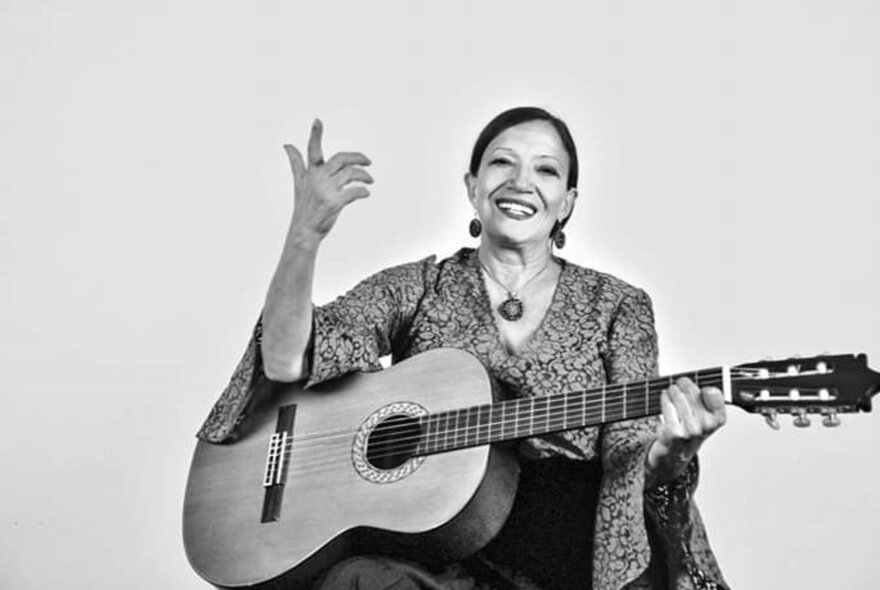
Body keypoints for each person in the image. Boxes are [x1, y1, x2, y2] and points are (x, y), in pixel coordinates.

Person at [197, 107, 729, 590]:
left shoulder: (618, 305)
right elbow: (291, 359)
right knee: (357, 582)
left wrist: (674, 451)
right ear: (473, 186)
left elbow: (632, 454)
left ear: (567, 202)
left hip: (568, 560)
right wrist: (304, 237)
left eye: (546, 170)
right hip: (438, 554)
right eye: (502, 163)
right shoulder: (421, 287)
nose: (521, 183)